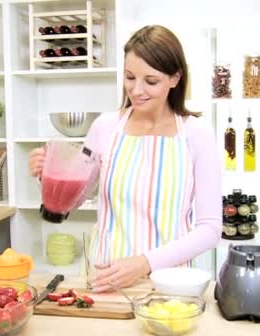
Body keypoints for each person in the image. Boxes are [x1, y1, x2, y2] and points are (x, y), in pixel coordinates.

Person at [29, 25, 221, 292]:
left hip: (169, 282)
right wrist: (47, 176)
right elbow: (74, 200)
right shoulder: (105, 127)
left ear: (175, 78)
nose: (137, 90)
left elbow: (210, 230)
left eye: (150, 81)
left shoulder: (197, 134)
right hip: (106, 276)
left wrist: (145, 263)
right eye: (130, 77)